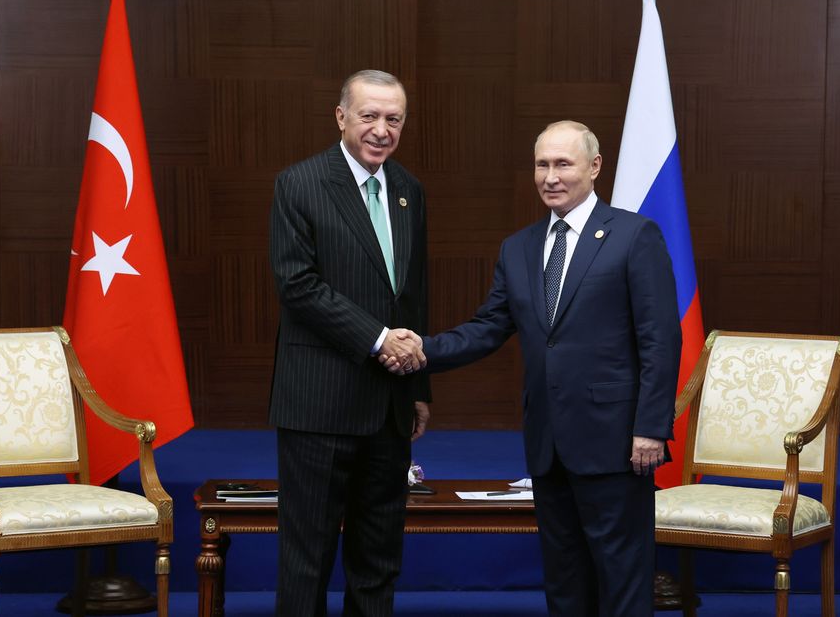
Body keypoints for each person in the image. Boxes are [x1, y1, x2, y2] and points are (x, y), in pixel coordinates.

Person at [384, 120, 680, 616]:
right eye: (542, 164)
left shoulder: (635, 236)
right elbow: (488, 327)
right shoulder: (518, 247)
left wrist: (650, 429)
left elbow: (660, 339)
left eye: (563, 164)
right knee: (563, 577)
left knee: (622, 576)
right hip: (548, 442)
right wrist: (422, 349)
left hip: (617, 442)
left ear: (595, 167)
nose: (550, 176)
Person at [267, 69, 431, 617]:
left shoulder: (409, 191)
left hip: (389, 406)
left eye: (393, 119)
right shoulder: (300, 183)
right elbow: (298, 285)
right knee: (307, 559)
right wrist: (379, 338)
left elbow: (413, 297)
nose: (381, 130)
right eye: (369, 116)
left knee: (378, 559)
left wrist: (420, 387)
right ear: (342, 117)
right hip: (319, 405)